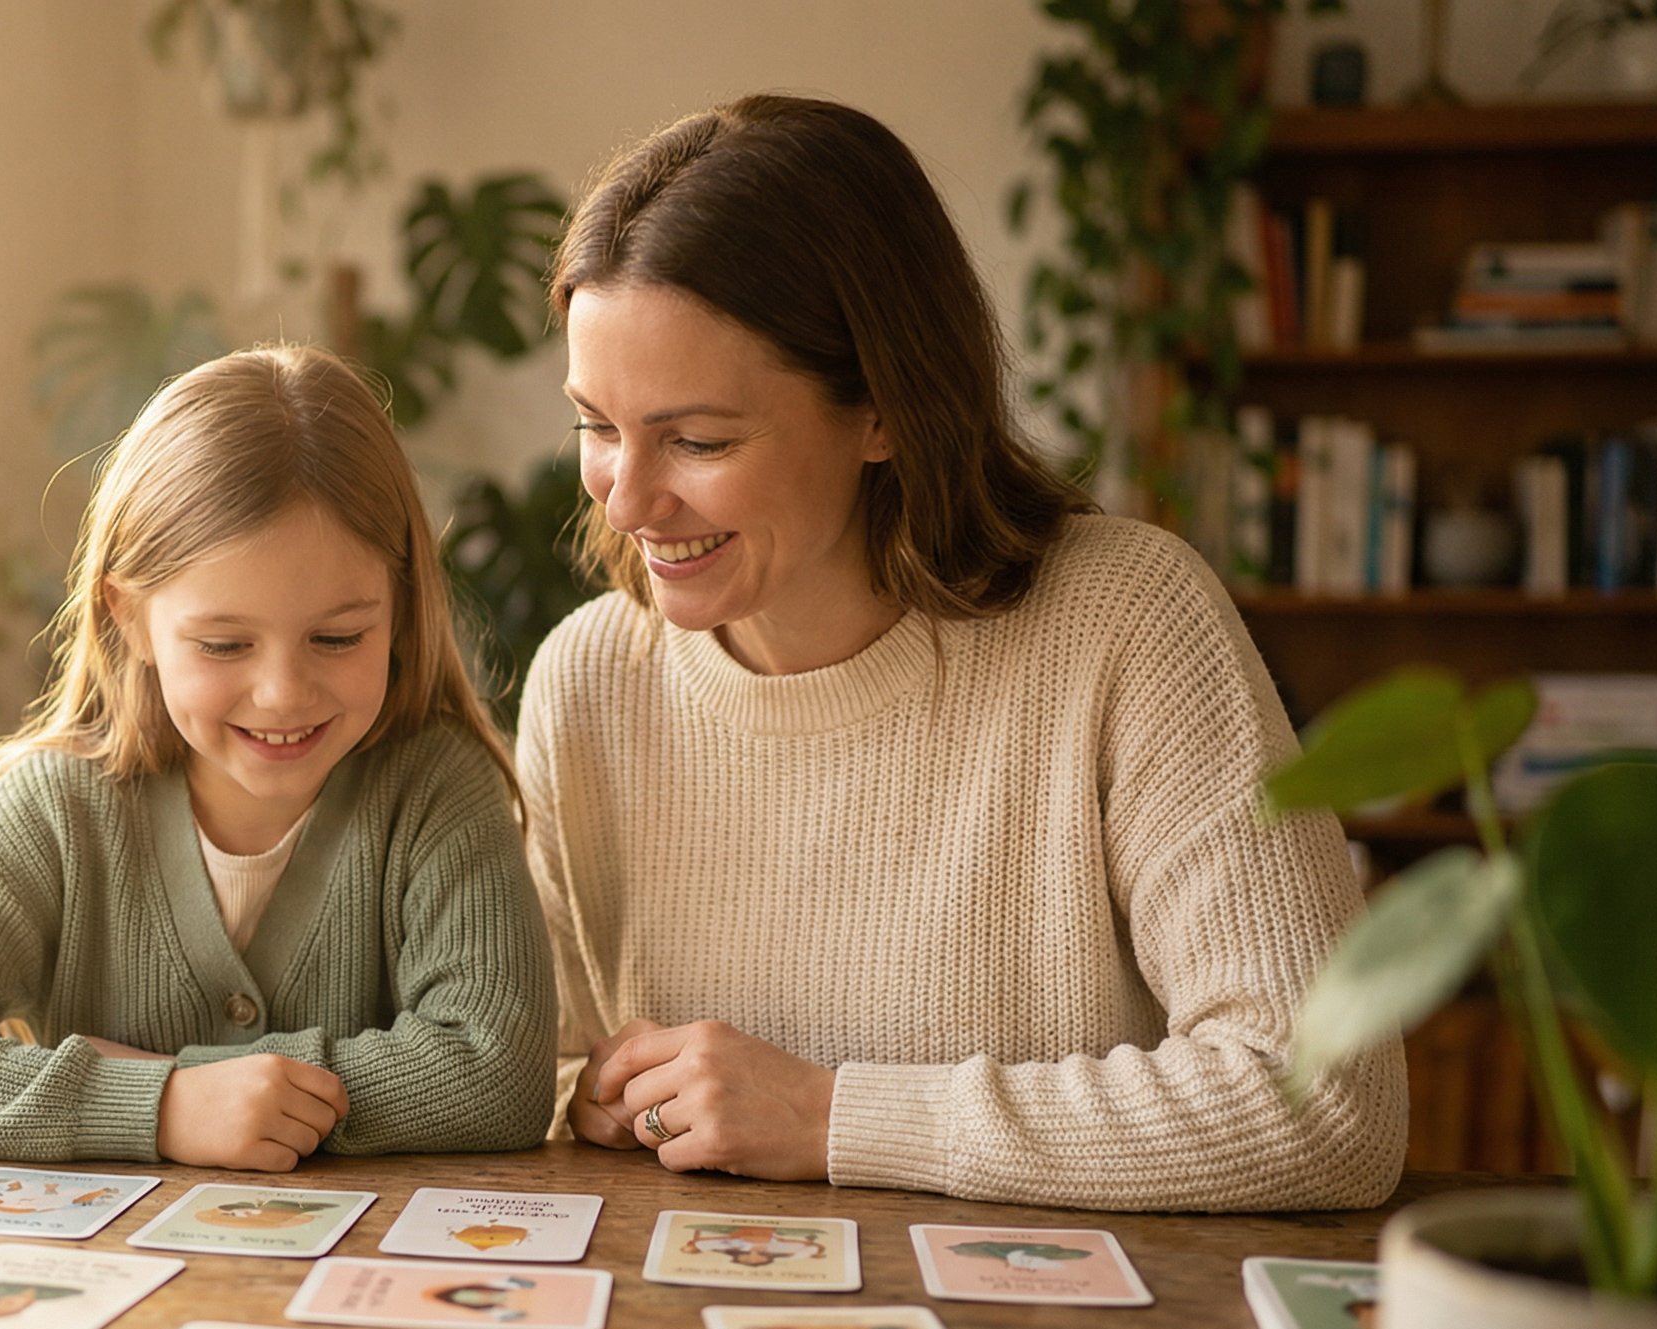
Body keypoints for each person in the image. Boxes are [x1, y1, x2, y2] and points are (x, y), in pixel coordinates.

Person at [524, 95, 1405, 1211]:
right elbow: (535, 1071)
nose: (631, 498)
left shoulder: (1127, 624)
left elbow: (1326, 1104)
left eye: (698, 439)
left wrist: (834, 1116)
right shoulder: (588, 681)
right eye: (596, 427)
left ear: (885, 411)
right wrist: (585, 1096)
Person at [0, 346, 557, 1171]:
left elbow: (497, 1072)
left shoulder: (436, 790)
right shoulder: (60, 811)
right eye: (224, 644)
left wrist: (193, 1083)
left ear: (402, 609)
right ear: (130, 621)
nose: (283, 693)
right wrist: (163, 1110)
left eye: (337, 637)